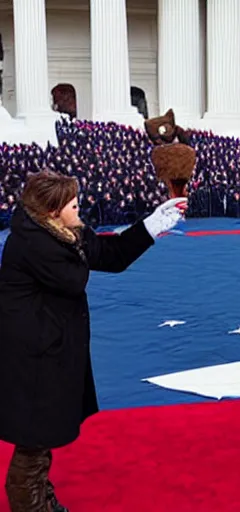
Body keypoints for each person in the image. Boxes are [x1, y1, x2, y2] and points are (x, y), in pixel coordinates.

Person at [0, 170, 186, 512]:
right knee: (33, 443)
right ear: (53, 211)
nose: (79, 210)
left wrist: (151, 226)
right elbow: (75, 276)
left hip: (48, 351)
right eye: (73, 205)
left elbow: (109, 255)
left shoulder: (55, 231)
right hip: (32, 357)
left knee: (39, 441)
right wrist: (84, 241)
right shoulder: (33, 243)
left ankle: (40, 499)